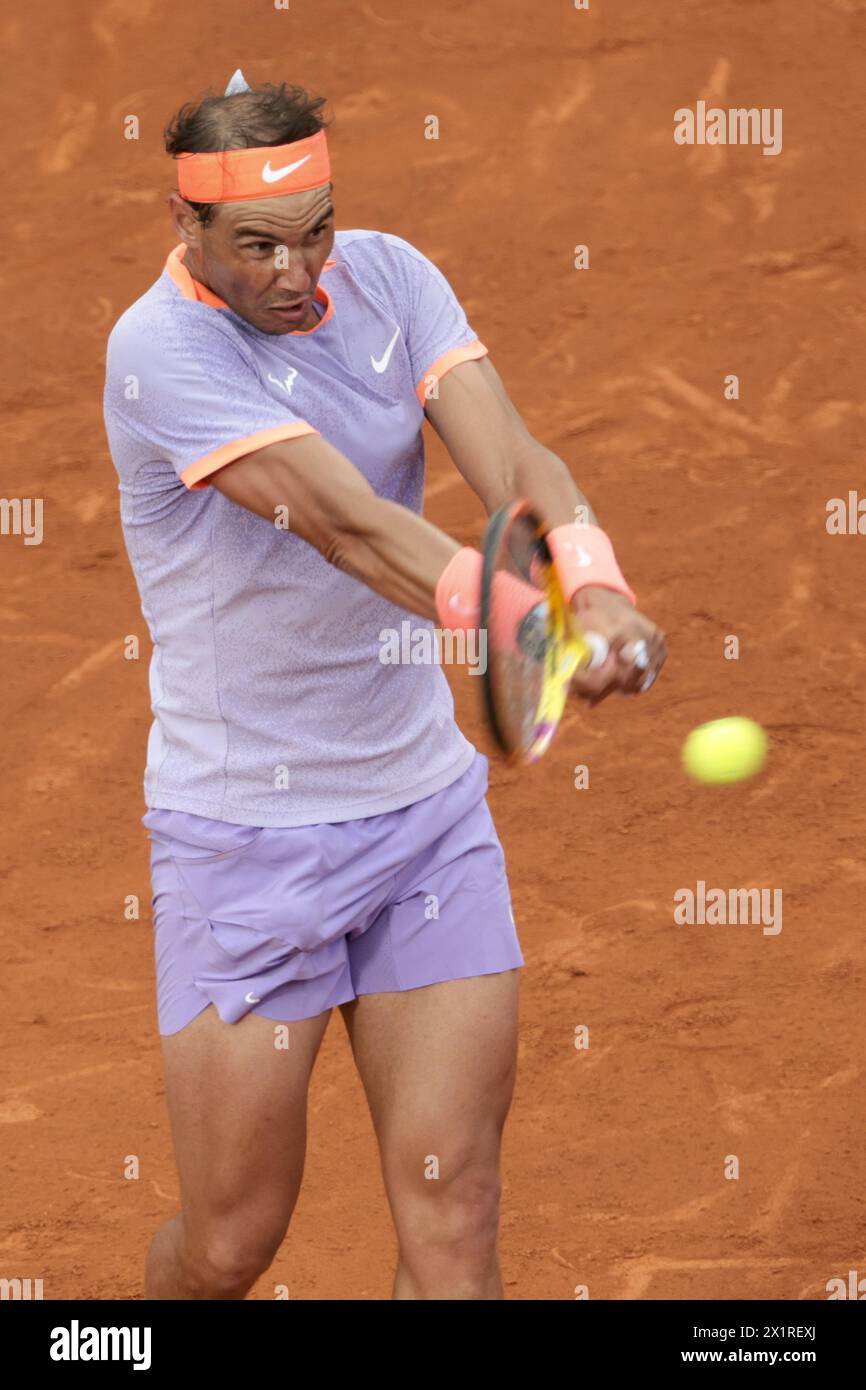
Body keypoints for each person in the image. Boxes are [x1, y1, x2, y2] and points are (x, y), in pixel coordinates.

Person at [102, 71, 666, 1301]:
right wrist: (529, 627)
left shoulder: (392, 277)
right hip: (247, 842)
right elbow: (344, 523)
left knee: (451, 1212)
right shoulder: (157, 352)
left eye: (315, 232)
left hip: (423, 820)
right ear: (183, 226)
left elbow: (510, 452)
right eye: (257, 245)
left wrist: (592, 579)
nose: (298, 273)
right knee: (229, 1244)